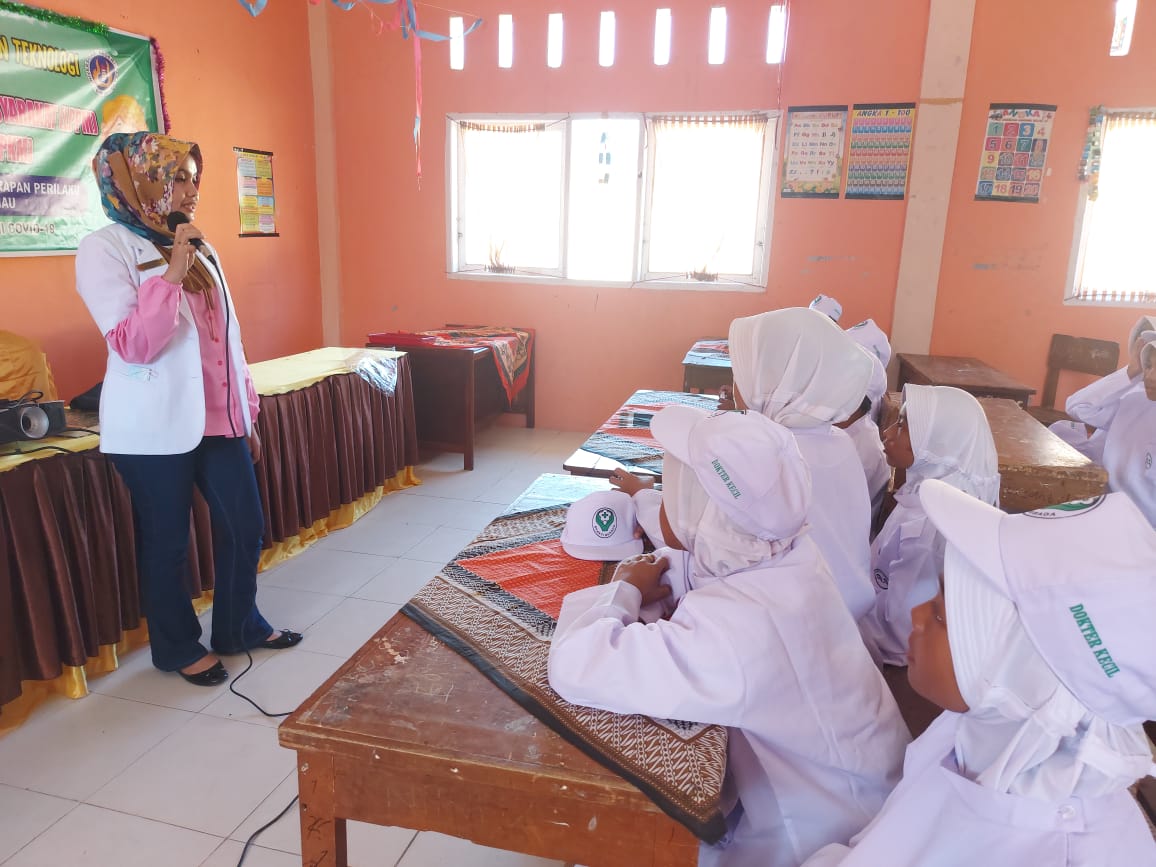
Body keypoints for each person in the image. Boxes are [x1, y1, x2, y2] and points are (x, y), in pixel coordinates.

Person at [550, 406, 910, 867]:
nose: (666, 493)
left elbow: (579, 664)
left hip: (815, 843)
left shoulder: (739, 634)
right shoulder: (792, 552)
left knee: (612, 841)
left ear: (705, 514)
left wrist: (622, 589)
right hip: (859, 793)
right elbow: (713, 578)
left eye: (677, 486)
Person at [804, 481, 1156, 866]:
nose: (917, 616)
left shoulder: (1053, 853)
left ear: (1022, 669)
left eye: (941, 613)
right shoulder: (978, 731)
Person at [75, 132, 301, 686]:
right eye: (176, 176)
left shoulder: (201, 245)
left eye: (193, 176)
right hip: (153, 431)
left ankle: (238, 627)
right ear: (137, 181)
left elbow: (227, 339)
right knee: (168, 541)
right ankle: (177, 647)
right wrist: (171, 272)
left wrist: (244, 413)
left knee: (244, 524)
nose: (191, 189)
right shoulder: (105, 248)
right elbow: (132, 343)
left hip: (217, 420)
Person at [727, 307, 877, 620]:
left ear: (772, 380)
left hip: (799, 620)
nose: (735, 381)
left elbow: (714, 545)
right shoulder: (838, 439)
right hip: (848, 611)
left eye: (741, 370)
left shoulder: (769, 452)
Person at [858, 385, 999, 666]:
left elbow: (901, 629)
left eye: (902, 427)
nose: (887, 434)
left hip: (898, 652)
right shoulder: (932, 494)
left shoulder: (930, 524)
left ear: (939, 443)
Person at [1064, 316, 1156, 527]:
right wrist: (1131, 370)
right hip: (1105, 513)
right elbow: (1078, 407)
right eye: (1147, 366)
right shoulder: (1132, 400)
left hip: (1146, 535)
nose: (1149, 375)